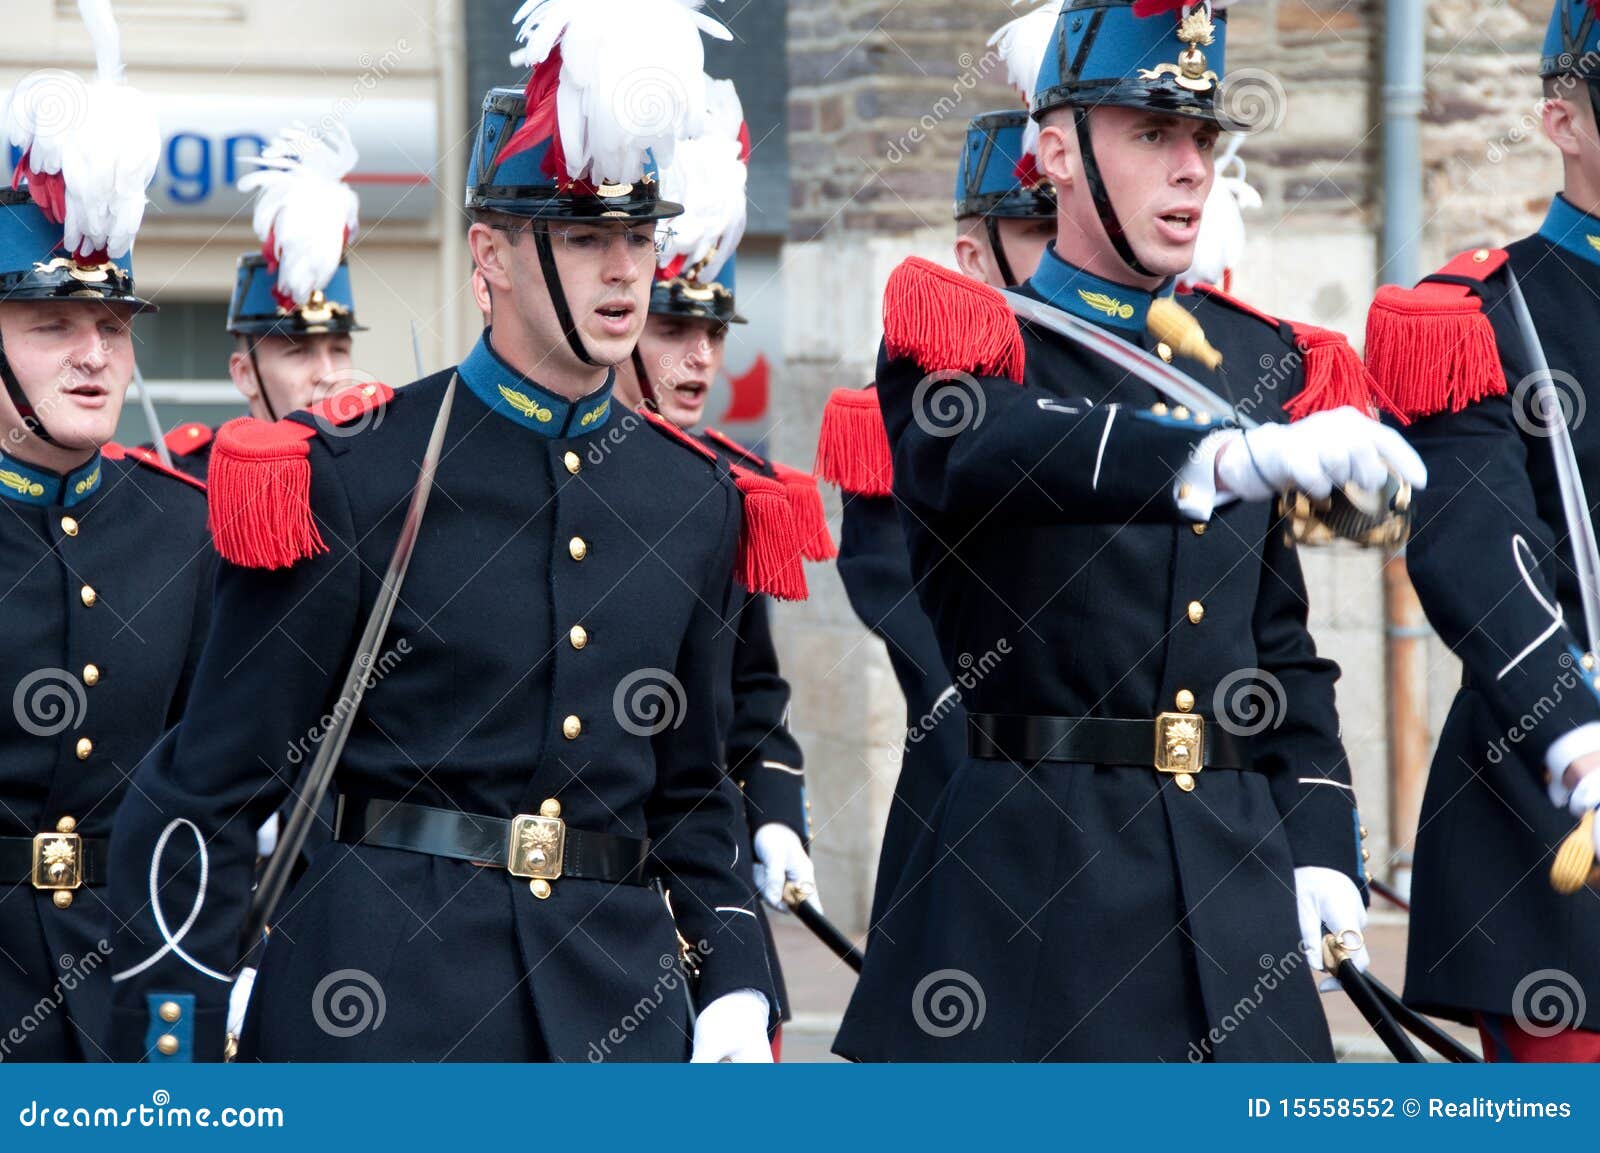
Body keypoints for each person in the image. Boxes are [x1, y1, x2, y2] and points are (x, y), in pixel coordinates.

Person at [106, 0, 787, 1063]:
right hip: (379, 1007)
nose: (623, 271)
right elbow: (212, 780)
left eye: (639, 236)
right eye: (582, 238)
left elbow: (691, 786)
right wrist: (183, 1014)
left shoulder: (694, 498)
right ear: (493, 254)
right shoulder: (355, 473)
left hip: (615, 1010)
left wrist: (736, 981)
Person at [833, 0, 1426, 1062]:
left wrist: (1323, 840)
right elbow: (989, 450)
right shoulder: (969, 336)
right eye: (1151, 134)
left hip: (1228, 880)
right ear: (1054, 151)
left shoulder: (1249, 366)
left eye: (1202, 136)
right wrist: (1209, 459)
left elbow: (1275, 646)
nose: (1191, 167)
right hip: (1037, 889)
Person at [1364, 0, 1600, 1063]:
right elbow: (1469, 547)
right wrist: (1575, 723)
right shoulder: (1479, 312)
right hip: (1561, 820)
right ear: (1562, 121)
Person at [815, 2, 1061, 943]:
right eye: (1036, 230)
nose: (1065, 245)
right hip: (977, 764)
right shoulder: (923, 399)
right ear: (974, 254)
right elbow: (898, 597)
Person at [0, 0, 214, 1060]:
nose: (93, 355)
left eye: (112, 327)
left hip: (138, 983)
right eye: (51, 326)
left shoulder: (192, 528)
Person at [613, 76, 824, 1057]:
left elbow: (754, 701)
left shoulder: (733, 492)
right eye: (672, 329)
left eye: (710, 333)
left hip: (706, 892)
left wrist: (777, 816)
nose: (699, 357)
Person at [160, 123, 367, 480]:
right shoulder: (187, 480)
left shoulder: (383, 477)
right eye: (298, 352)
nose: (328, 376)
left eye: (339, 350)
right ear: (245, 375)